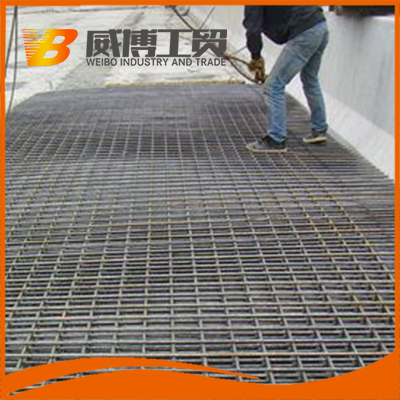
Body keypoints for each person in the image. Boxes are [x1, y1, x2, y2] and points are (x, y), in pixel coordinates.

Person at [243, 6, 329, 152]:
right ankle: (319, 129)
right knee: (310, 79)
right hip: (320, 25)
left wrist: (256, 57)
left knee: (273, 86)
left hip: (304, 32)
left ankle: (276, 139)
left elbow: (253, 30)